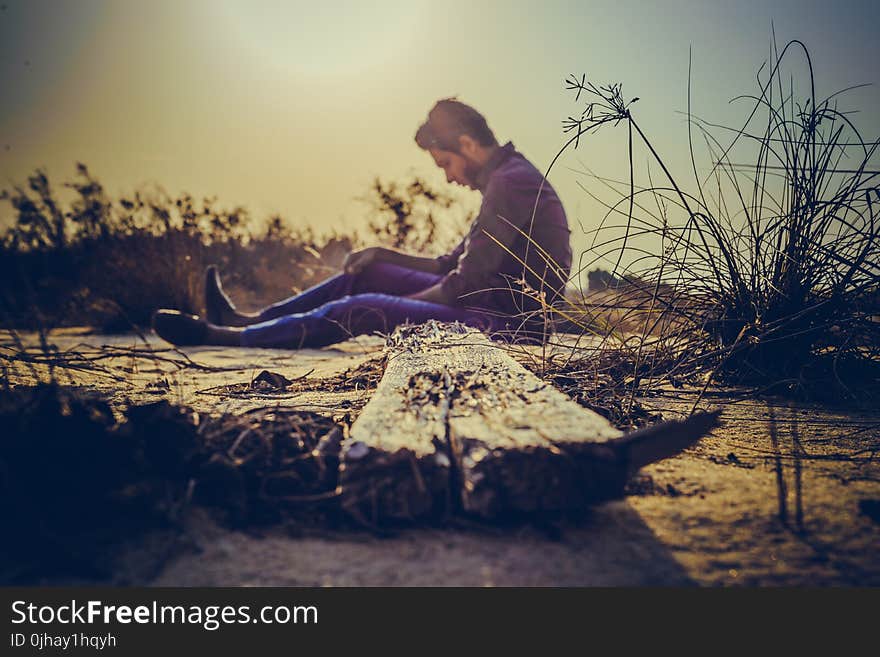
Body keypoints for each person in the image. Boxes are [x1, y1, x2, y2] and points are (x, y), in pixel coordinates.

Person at [152, 98, 572, 349]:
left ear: (466, 145)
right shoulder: (506, 178)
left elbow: (459, 286)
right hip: (480, 307)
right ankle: (251, 320)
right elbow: (451, 265)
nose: (447, 176)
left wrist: (393, 305)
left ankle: (226, 338)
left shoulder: (511, 184)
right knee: (368, 271)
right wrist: (381, 255)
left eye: (445, 163)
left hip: (508, 328)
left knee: (366, 306)